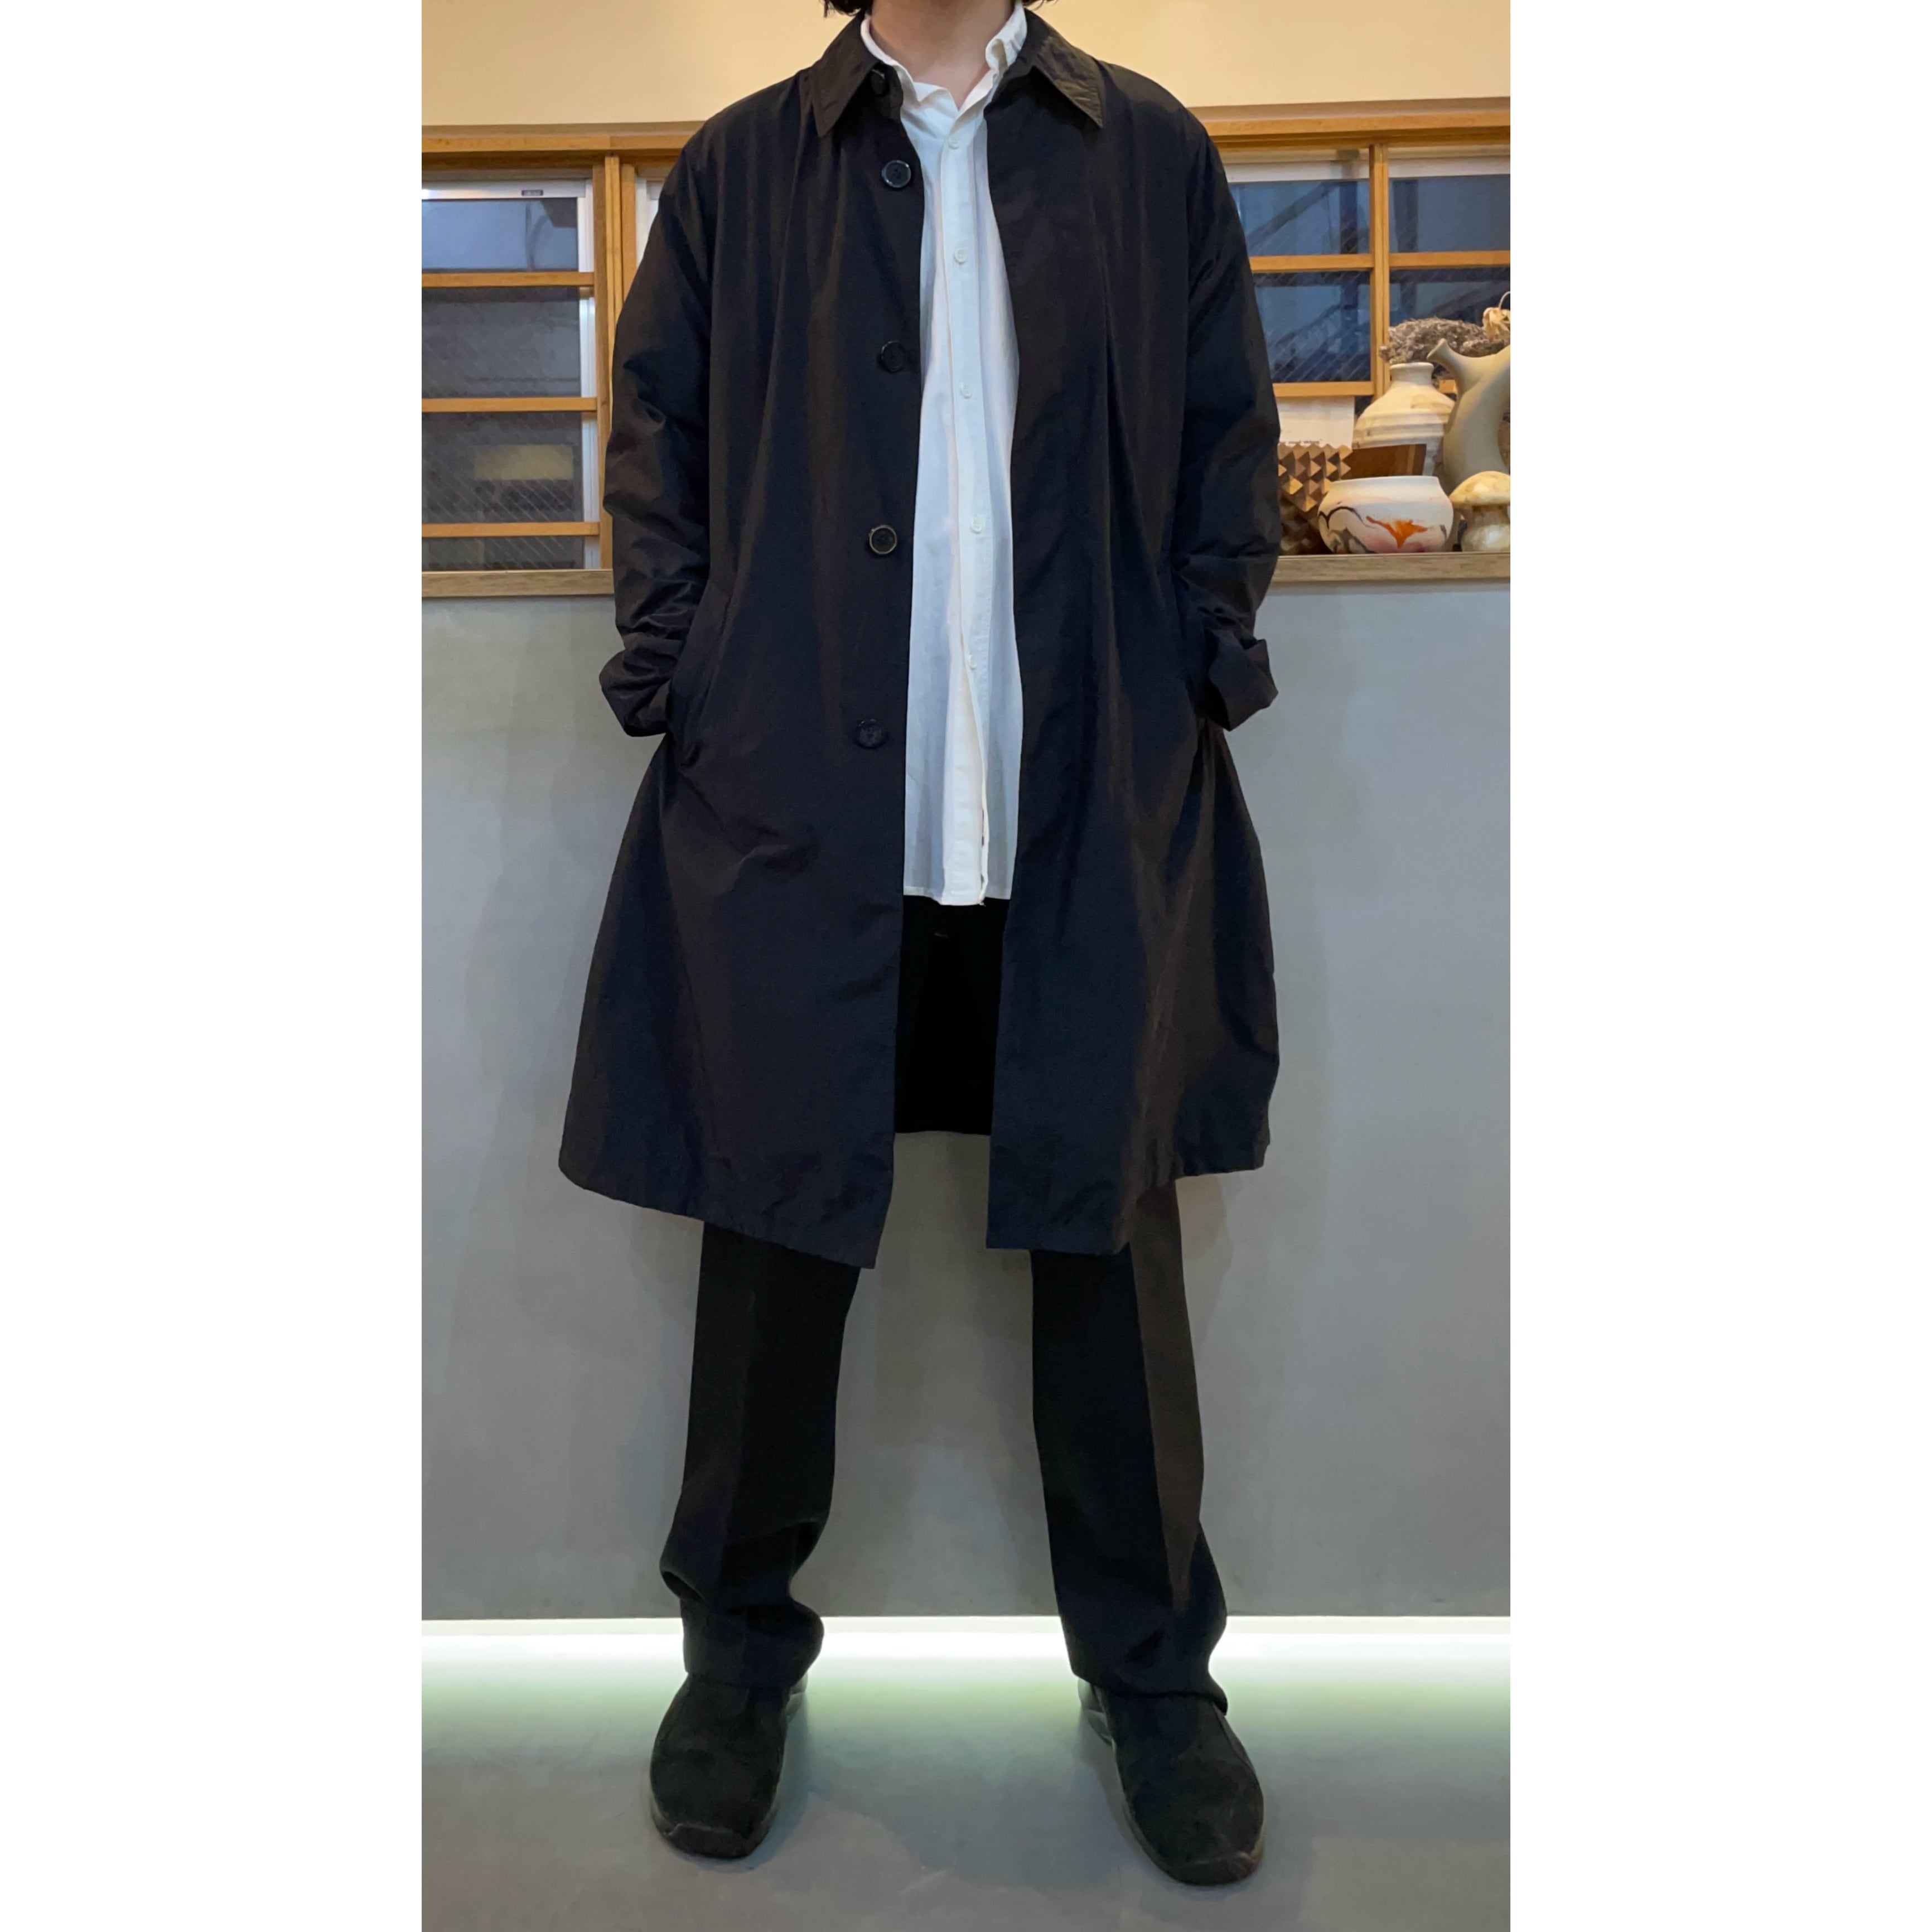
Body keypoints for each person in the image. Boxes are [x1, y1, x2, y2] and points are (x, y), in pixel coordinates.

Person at [560, 0, 1282, 1887]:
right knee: (774, 1232)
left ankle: (1156, 1679)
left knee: (1110, 1247)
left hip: (1075, 798)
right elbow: (660, 437)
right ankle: (736, 1657)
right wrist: (688, 673)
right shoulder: (747, 166)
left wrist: (1196, 664)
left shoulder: (1145, 151)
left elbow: (1227, 434)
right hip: (814, 805)